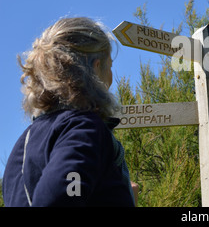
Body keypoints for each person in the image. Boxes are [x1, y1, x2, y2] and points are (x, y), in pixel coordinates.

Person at [2, 17, 138, 206]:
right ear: (96, 68)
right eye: (110, 67)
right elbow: (59, 198)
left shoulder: (24, 142)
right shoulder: (84, 129)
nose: (111, 77)